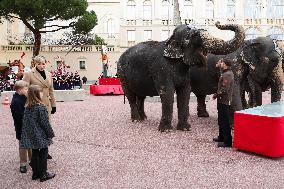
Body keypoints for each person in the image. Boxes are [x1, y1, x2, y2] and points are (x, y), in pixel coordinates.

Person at [23, 55, 56, 159]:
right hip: (35, 105)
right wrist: (31, 100)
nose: (41, 66)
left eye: (43, 63)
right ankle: (36, 152)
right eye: (39, 64)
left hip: (46, 104)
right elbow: (24, 88)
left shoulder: (49, 74)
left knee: (46, 127)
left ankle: (45, 150)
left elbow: (51, 90)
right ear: (35, 64)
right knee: (36, 129)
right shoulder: (29, 74)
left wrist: (54, 104)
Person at [20, 85, 55, 182]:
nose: (42, 93)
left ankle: (35, 173)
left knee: (35, 153)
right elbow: (45, 123)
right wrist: (50, 133)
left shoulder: (28, 107)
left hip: (32, 134)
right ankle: (43, 174)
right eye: (40, 92)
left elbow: (26, 123)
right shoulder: (41, 107)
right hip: (40, 134)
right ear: (36, 94)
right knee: (44, 152)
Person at [10, 80, 32, 173]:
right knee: (23, 146)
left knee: (30, 143)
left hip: (28, 125)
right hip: (22, 126)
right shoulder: (16, 101)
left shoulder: (23, 97)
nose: (27, 90)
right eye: (26, 89)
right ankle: (23, 164)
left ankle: (32, 160)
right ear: (19, 89)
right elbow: (19, 117)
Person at [212, 58, 234, 148]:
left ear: (226, 64)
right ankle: (221, 137)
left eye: (222, 62)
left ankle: (227, 141)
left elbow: (225, 89)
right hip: (222, 100)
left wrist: (216, 95)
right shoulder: (225, 73)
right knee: (221, 119)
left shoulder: (227, 74)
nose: (220, 63)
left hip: (224, 100)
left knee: (225, 121)